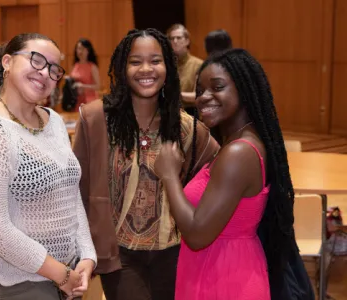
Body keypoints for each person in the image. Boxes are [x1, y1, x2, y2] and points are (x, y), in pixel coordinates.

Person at [155, 48, 314, 300]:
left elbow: (197, 235)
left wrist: (169, 175)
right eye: (199, 91)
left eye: (217, 87)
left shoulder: (239, 153)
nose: (204, 97)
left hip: (225, 278)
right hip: (217, 269)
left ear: (244, 90)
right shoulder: (236, 145)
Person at [72, 28, 218, 300]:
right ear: (122, 67)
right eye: (135, 61)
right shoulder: (96, 120)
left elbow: (218, 177)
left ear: (168, 67)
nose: (146, 69)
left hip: (175, 253)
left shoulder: (186, 128)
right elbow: (75, 191)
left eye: (156, 60)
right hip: (119, 255)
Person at [0, 33, 96, 300]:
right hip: (16, 281)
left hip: (67, 273)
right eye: (36, 61)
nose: (45, 73)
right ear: (7, 62)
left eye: (54, 69)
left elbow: (70, 196)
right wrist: (60, 274)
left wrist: (88, 256)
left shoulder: (54, 121)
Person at [167, 24, 203, 116]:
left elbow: (199, 96)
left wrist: (176, 94)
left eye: (179, 38)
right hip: (169, 113)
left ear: (187, 41)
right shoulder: (166, 65)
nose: (175, 41)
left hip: (190, 114)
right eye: (172, 38)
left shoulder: (198, 64)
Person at [69, 38, 100, 110]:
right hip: (76, 100)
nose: (79, 51)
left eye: (82, 49)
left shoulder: (92, 66)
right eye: (78, 49)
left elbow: (98, 86)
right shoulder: (75, 65)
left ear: (88, 51)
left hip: (89, 101)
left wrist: (83, 86)